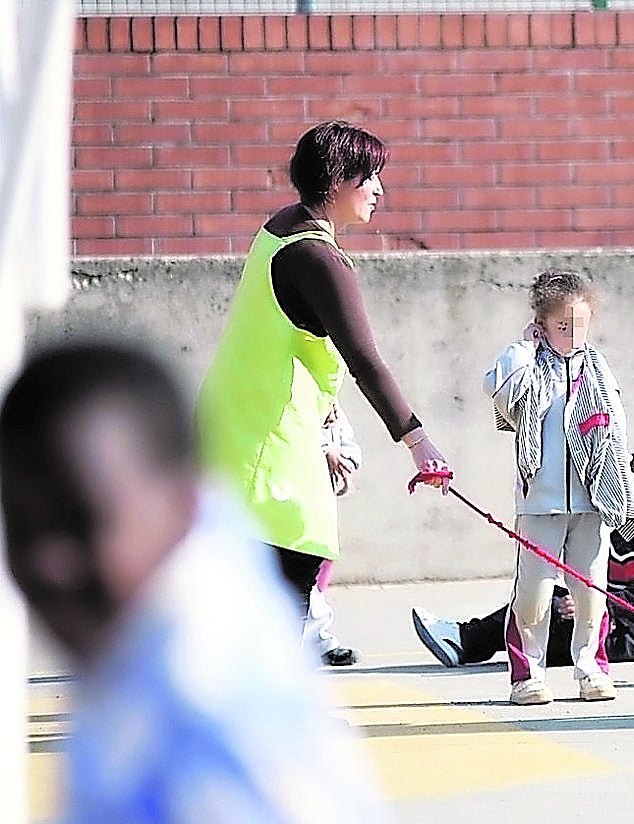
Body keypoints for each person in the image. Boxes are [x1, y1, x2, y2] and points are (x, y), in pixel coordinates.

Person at [0, 341, 389, 822]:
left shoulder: (202, 716)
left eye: (83, 523)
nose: (48, 563)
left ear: (180, 507)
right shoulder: (198, 565)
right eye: (20, 526)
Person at [197, 120, 450, 626]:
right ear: (336, 182)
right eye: (367, 177)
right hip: (267, 437)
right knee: (294, 559)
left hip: (240, 424)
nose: (378, 189)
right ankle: (264, 700)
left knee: (259, 574)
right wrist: (419, 442)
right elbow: (365, 360)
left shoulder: (284, 225)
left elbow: (295, 336)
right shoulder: (317, 258)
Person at [484, 271, 634, 705]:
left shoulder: (598, 367)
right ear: (542, 323)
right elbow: (501, 395)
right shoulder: (525, 363)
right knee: (532, 595)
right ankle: (526, 675)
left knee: (591, 592)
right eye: (561, 326)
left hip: (594, 500)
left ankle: (591, 667)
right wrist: (525, 346)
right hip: (540, 503)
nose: (572, 335)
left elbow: (616, 429)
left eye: (581, 325)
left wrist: (620, 485)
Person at [412, 449, 634, 669]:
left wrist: (595, 605)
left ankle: (463, 642)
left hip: (628, 637)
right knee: (549, 596)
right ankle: (471, 638)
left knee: (539, 608)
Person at [304, 402, 362, 667]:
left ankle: (315, 639)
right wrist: (324, 450)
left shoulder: (333, 408)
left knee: (318, 565)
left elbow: (349, 446)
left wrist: (345, 463)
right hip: (284, 497)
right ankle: (318, 639)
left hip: (318, 503)